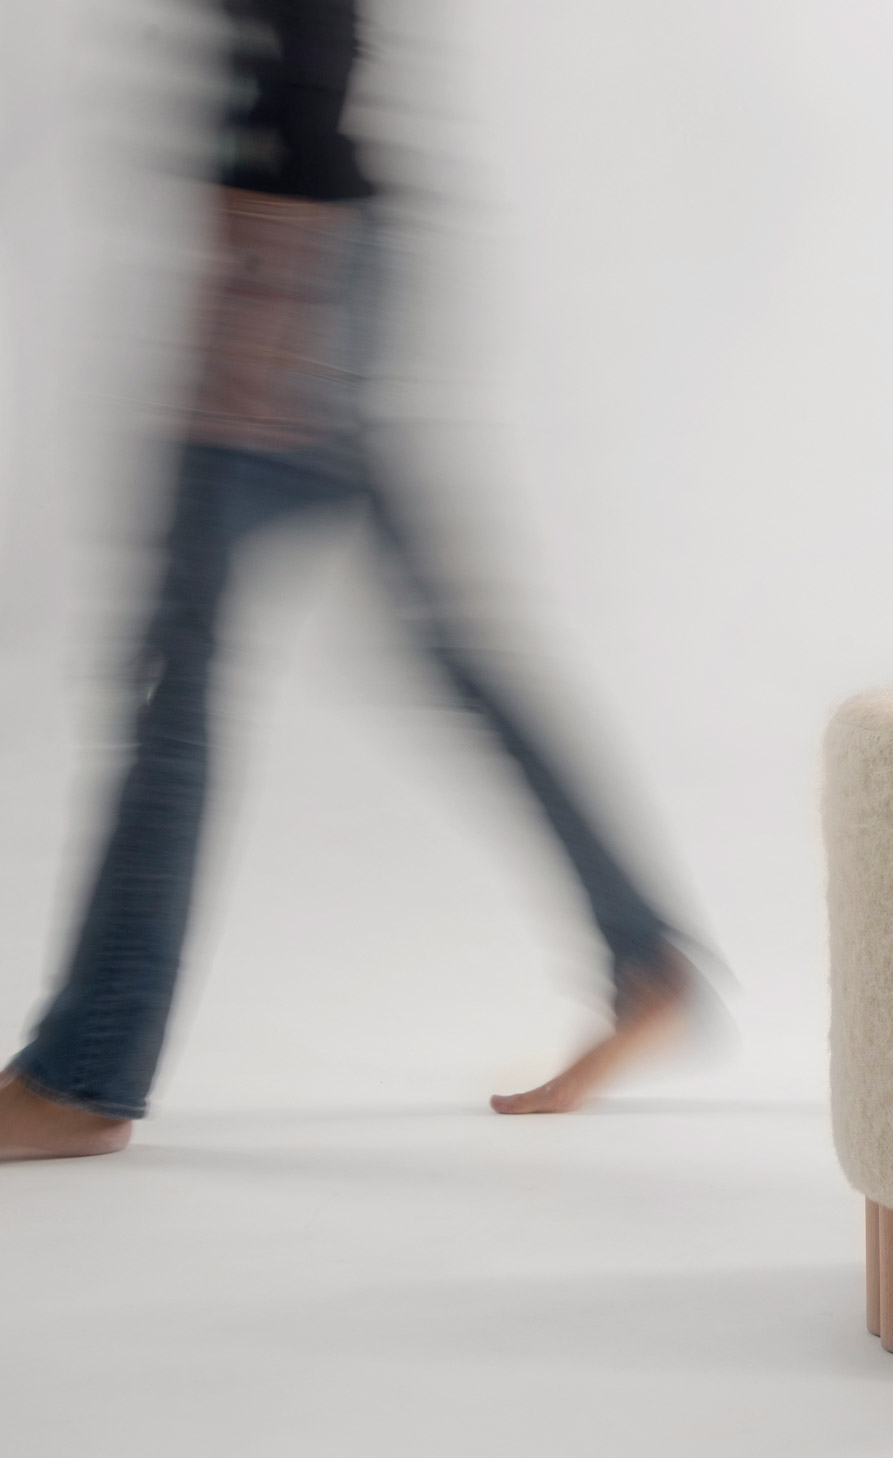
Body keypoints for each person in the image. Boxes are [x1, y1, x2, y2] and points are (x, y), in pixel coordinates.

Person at [0, 0, 704, 1161]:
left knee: (179, 692)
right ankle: (648, 959)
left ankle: (87, 1073)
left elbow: (310, 38)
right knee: (439, 650)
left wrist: (261, 291)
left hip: (289, 266)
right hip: (310, 251)